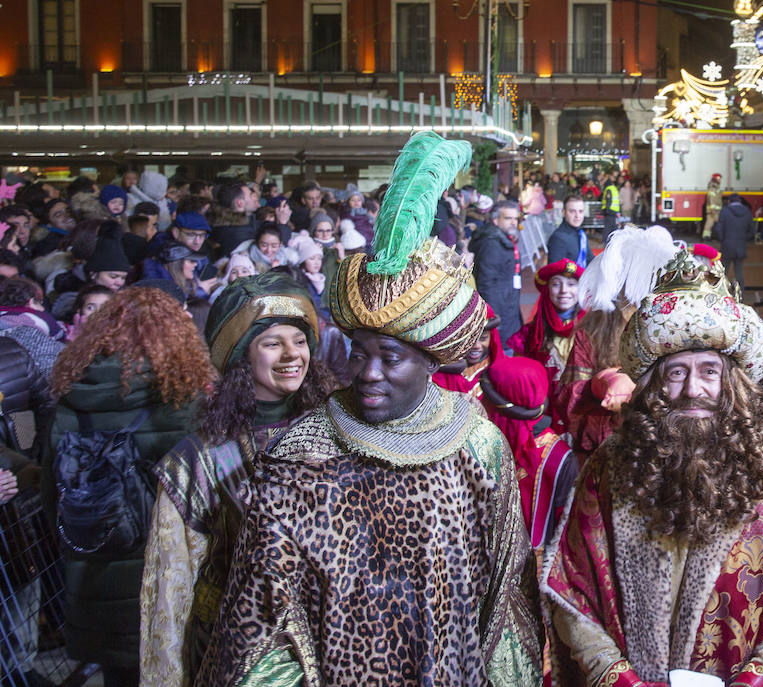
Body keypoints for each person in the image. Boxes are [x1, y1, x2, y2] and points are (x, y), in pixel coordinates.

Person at [194, 133, 542, 685]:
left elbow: (503, 598)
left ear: (431, 361)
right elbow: (264, 619)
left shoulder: (476, 444)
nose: (369, 373)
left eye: (391, 357)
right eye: (360, 353)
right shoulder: (303, 452)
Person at [542, 247, 763, 686]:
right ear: (653, 383)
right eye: (676, 373)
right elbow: (573, 586)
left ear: (733, 383)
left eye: (709, 371)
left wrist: (757, 680)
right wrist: (617, 678)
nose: (693, 389)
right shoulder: (610, 467)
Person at [139, 273, 337, 687]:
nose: (291, 354)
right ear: (240, 355)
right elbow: (169, 592)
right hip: (241, 655)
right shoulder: (199, 459)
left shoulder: (339, 434)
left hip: (333, 645)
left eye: (299, 341)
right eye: (272, 343)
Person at [47, 286, 216, 687]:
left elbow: (52, 494)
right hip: (166, 580)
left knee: (117, 677)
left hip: (92, 575)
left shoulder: (72, 396)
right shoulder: (184, 398)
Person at [551, 225, 679, 459]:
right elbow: (567, 399)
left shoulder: (671, 327)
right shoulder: (593, 332)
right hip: (608, 448)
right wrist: (598, 385)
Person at [479, 348, 576, 548]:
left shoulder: (560, 462)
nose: (481, 405)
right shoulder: (483, 443)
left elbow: (564, 533)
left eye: (486, 402)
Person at [508, 258, 584, 385]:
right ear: (547, 290)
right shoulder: (530, 333)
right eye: (556, 284)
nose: (564, 290)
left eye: (571, 284)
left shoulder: (593, 328)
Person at [471, 199, 524, 346]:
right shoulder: (492, 244)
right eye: (508, 218)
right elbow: (486, 284)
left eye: (515, 218)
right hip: (500, 312)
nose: (513, 222)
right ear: (495, 220)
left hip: (508, 305)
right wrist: (495, 320)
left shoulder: (503, 238)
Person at [715, 192, 754, 286]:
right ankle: (740, 294)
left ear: (729, 201)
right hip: (741, 246)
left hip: (727, 246)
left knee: (723, 272)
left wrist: (722, 239)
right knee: (739, 272)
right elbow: (752, 230)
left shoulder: (724, 211)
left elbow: (719, 229)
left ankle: (722, 294)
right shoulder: (747, 211)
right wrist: (743, 239)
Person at [547, 195, 590, 267]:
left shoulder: (581, 233)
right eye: (572, 211)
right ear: (563, 212)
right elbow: (555, 272)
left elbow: (590, 259)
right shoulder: (558, 238)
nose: (577, 215)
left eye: (581, 211)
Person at [702, 172, 723, 238]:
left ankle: (706, 236)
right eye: (719, 178)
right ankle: (709, 236)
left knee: (710, 223)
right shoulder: (713, 189)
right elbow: (711, 199)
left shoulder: (715, 188)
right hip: (714, 211)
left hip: (713, 210)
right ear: (715, 179)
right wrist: (713, 209)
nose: (720, 180)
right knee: (717, 223)